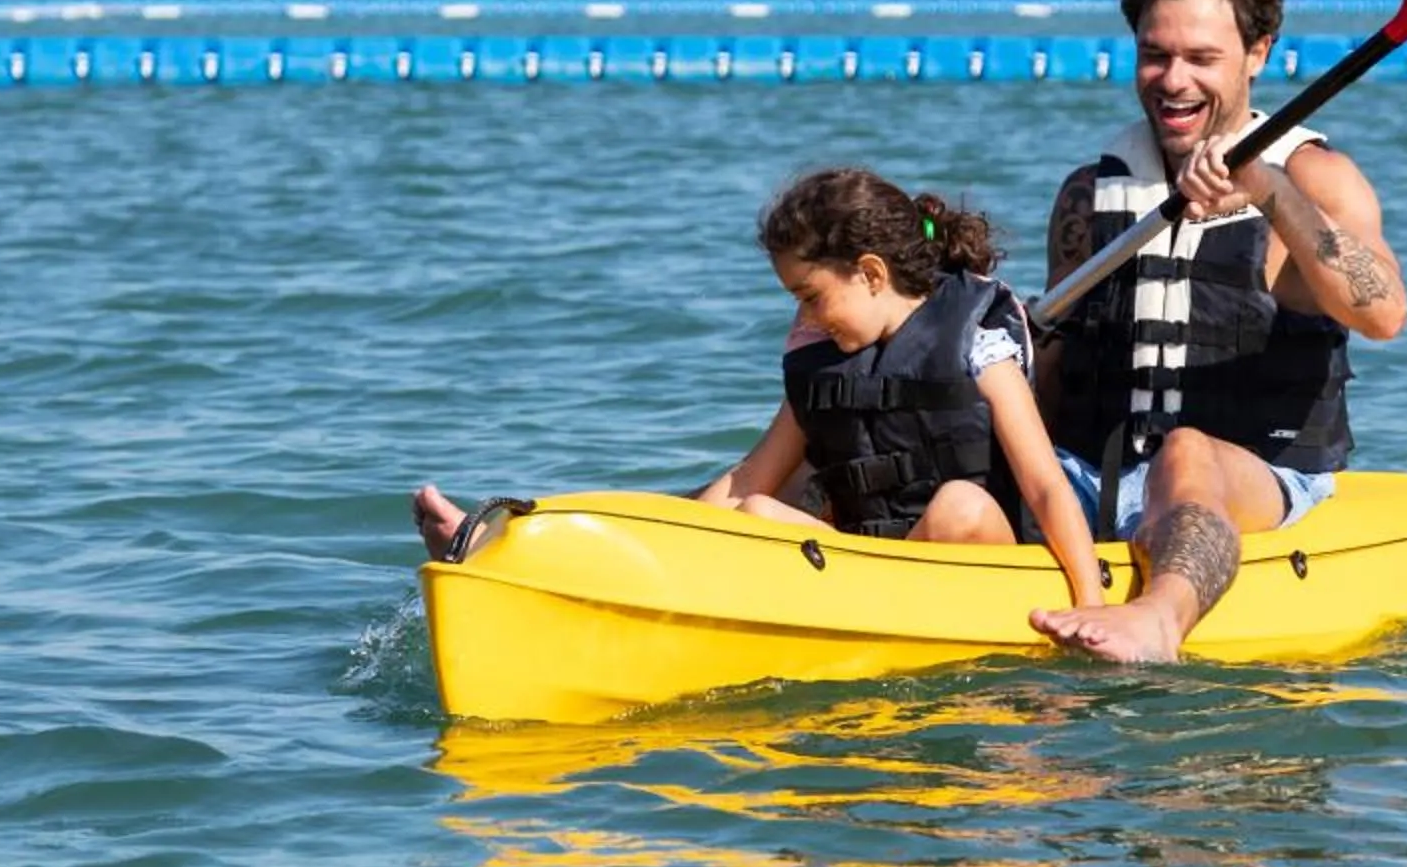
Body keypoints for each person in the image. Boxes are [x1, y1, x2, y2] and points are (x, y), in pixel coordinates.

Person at [414, 166, 1108, 610]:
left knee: (958, 502)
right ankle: (520, 560)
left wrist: (1091, 608)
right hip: (877, 571)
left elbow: (1045, 486)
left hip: (975, 567)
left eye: (812, 297)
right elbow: (752, 475)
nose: (803, 318)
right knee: (754, 511)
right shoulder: (827, 365)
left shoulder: (978, 346)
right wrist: (643, 539)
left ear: (870, 273)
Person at [1024, 0, 1407, 664]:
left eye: (1202, 59)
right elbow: (1053, 364)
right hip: (1093, 474)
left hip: (1256, 476)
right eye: (1155, 54)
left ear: (1258, 53)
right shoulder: (1090, 191)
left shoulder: (1316, 180)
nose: (1174, 81)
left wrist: (1267, 191)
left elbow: (1385, 312)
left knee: (1186, 453)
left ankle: (1161, 619)